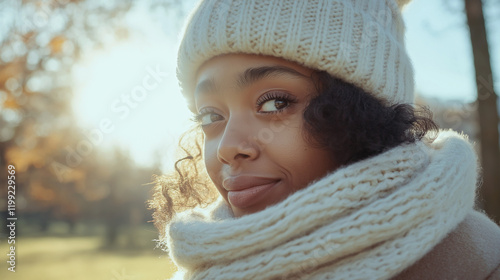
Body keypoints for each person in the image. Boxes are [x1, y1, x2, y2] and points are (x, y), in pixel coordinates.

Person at [148, 0, 500, 279]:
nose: (227, 147)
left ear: (364, 114)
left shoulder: (478, 262)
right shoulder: (207, 262)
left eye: (274, 103)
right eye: (211, 116)